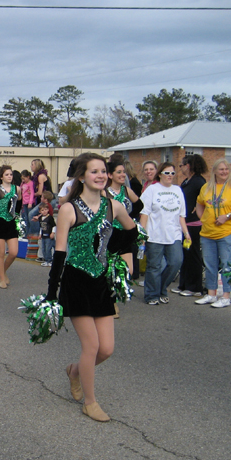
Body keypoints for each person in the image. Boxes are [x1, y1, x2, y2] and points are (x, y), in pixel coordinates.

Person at [46, 153, 137, 422]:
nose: (100, 175)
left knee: (106, 349)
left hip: (101, 281)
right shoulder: (68, 209)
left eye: (103, 171)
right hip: (75, 282)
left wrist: (111, 251)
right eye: (94, 171)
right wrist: (52, 293)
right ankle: (90, 402)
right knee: (92, 346)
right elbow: (59, 254)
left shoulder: (114, 207)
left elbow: (132, 234)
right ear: (82, 176)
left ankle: (74, 371)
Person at [194, 158, 231, 308]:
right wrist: (203, 218)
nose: (224, 172)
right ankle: (211, 294)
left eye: (226, 169)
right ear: (215, 171)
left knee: (227, 265)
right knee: (210, 265)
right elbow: (199, 203)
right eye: (221, 169)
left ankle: (226, 295)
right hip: (207, 233)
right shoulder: (206, 187)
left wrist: (227, 216)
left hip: (227, 232)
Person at [139, 163, 189, 305]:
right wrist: (142, 234)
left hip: (174, 235)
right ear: (160, 174)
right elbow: (144, 213)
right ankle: (152, 295)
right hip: (155, 235)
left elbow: (181, 215)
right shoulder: (152, 190)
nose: (170, 176)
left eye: (172, 173)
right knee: (154, 266)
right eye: (167, 173)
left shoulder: (178, 190)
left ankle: (162, 288)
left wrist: (186, 232)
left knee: (175, 262)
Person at [174, 154, 207, 297]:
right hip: (184, 223)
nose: (180, 168)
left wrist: (198, 207)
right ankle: (184, 284)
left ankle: (195, 286)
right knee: (185, 254)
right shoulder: (186, 182)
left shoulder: (199, 182)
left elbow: (205, 199)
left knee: (193, 254)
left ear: (188, 166)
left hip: (194, 224)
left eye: (181, 166)